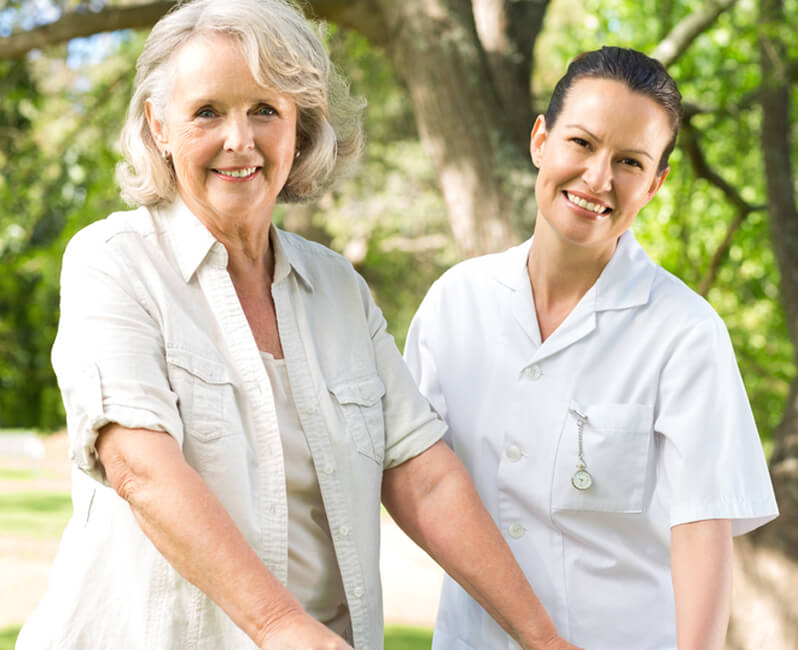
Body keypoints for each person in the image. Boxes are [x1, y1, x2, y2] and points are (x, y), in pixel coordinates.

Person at [17, 1, 573, 649]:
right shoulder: (114, 262)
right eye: (207, 112)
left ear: (300, 128)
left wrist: (544, 639)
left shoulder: (338, 289)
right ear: (159, 126)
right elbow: (140, 468)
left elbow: (423, 476)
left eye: (264, 110)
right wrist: (280, 626)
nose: (239, 140)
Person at [403, 46, 780, 650]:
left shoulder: (684, 332)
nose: (598, 178)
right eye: (582, 143)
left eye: (629, 161)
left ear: (655, 184)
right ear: (540, 142)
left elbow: (702, 531)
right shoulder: (457, 304)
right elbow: (409, 477)